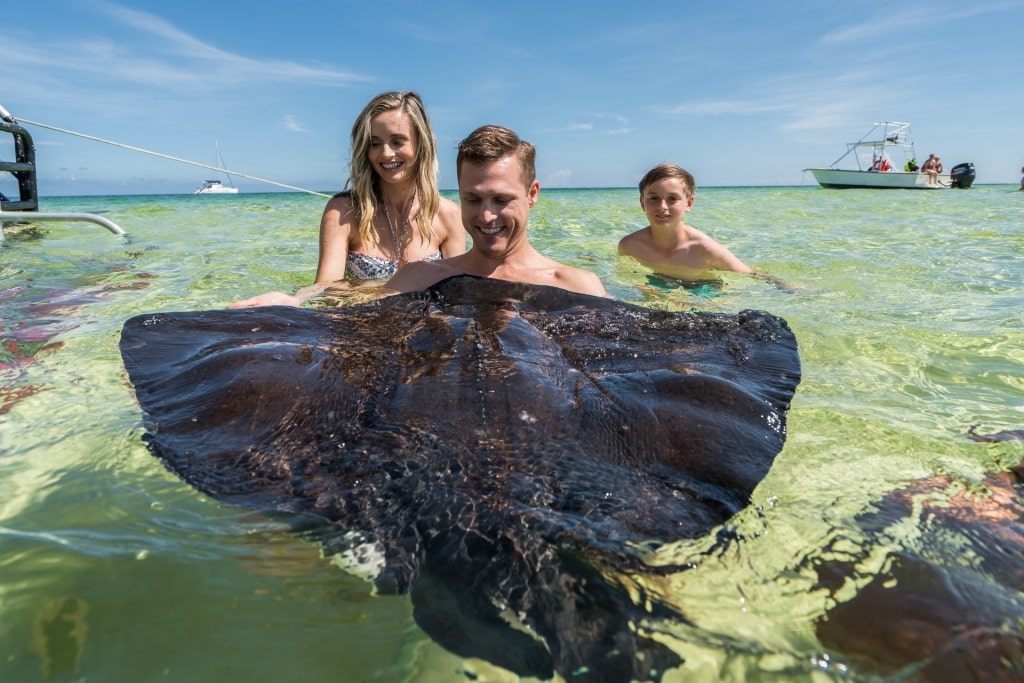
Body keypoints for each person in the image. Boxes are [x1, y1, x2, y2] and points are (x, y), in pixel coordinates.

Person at [230, 91, 465, 308]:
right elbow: (326, 287)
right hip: (361, 330)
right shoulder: (343, 211)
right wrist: (293, 300)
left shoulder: (449, 215)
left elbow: (456, 295)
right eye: (374, 143)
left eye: (397, 141)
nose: (385, 153)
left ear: (421, 144)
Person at [382, 125, 609, 298]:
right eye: (472, 199)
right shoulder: (415, 279)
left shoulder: (577, 288)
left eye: (501, 200)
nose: (487, 216)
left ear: (532, 193)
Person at [618, 163, 790, 288]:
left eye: (672, 199)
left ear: (689, 203)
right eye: (654, 198)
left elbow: (751, 274)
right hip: (658, 284)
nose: (662, 207)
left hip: (703, 289)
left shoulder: (705, 249)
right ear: (642, 203)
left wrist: (785, 286)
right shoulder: (630, 246)